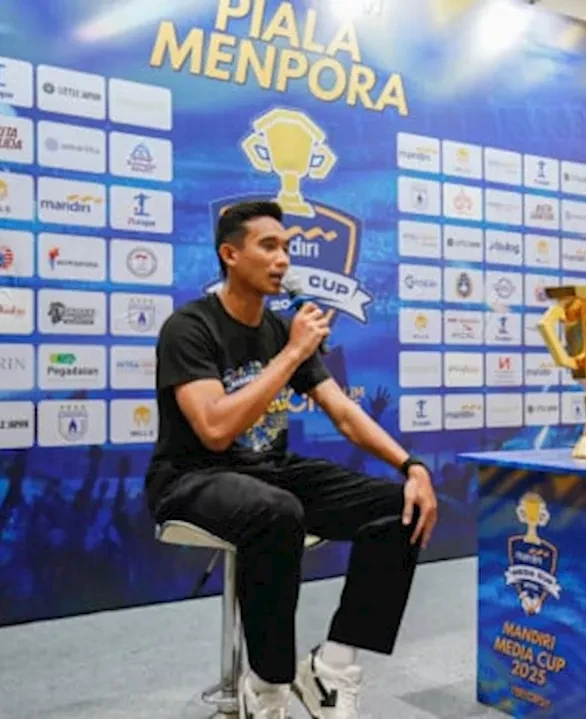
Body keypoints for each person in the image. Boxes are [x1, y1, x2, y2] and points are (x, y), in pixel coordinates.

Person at [145, 200, 439, 719]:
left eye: (286, 247)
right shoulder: (189, 328)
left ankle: (332, 666)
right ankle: (268, 684)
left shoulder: (282, 331)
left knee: (401, 507)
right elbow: (215, 430)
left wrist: (411, 466)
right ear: (230, 254)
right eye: (268, 246)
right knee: (277, 512)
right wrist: (292, 354)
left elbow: (343, 413)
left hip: (268, 472)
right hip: (192, 477)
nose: (283, 259)